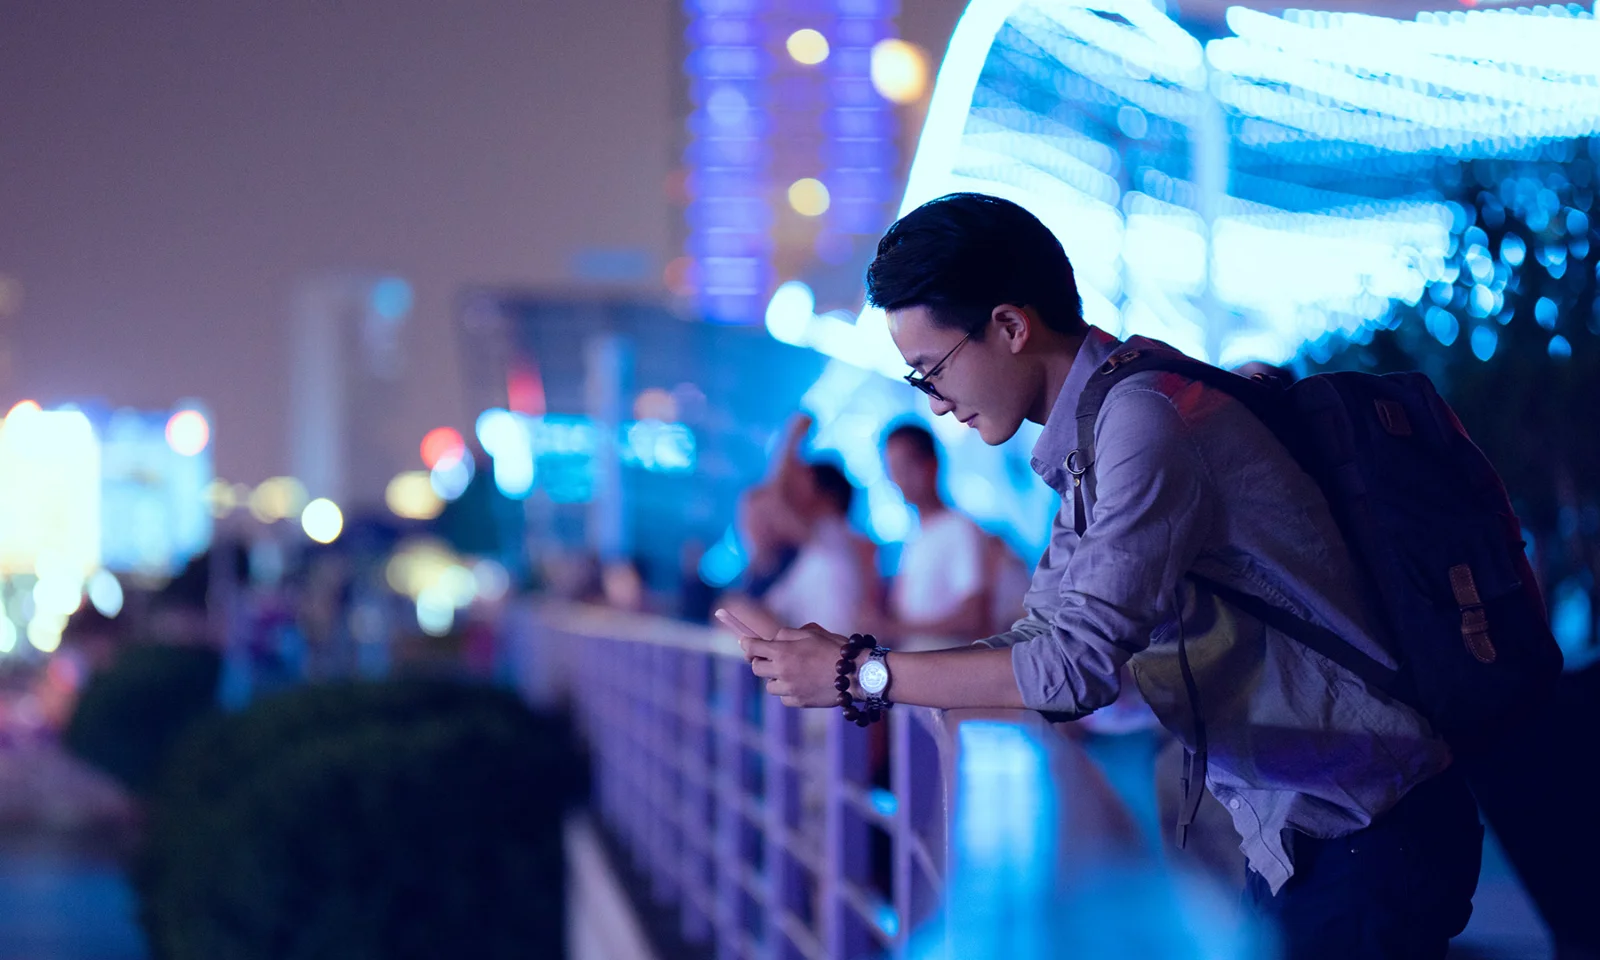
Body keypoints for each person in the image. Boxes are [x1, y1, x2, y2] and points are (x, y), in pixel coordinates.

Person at [729, 192, 1481, 959]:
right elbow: (1041, 635)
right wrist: (858, 665)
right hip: (1306, 826)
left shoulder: (1143, 420)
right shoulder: (1097, 432)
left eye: (931, 371)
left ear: (1011, 327)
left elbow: (1069, 669)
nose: (936, 402)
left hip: (1366, 824)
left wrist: (862, 673)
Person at [879, 423, 992, 641]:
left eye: (905, 467)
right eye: (892, 470)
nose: (899, 479)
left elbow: (973, 619)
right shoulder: (917, 535)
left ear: (931, 465)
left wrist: (895, 629)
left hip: (944, 666)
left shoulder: (959, 529)